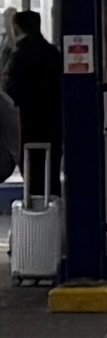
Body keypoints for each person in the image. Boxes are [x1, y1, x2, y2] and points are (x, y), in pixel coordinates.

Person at [3, 10, 61, 197]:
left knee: (32, 174)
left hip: (27, 126)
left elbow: (9, 93)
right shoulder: (53, 53)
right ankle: (54, 208)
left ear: (16, 28)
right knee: (51, 173)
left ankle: (36, 211)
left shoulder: (18, 56)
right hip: (53, 125)